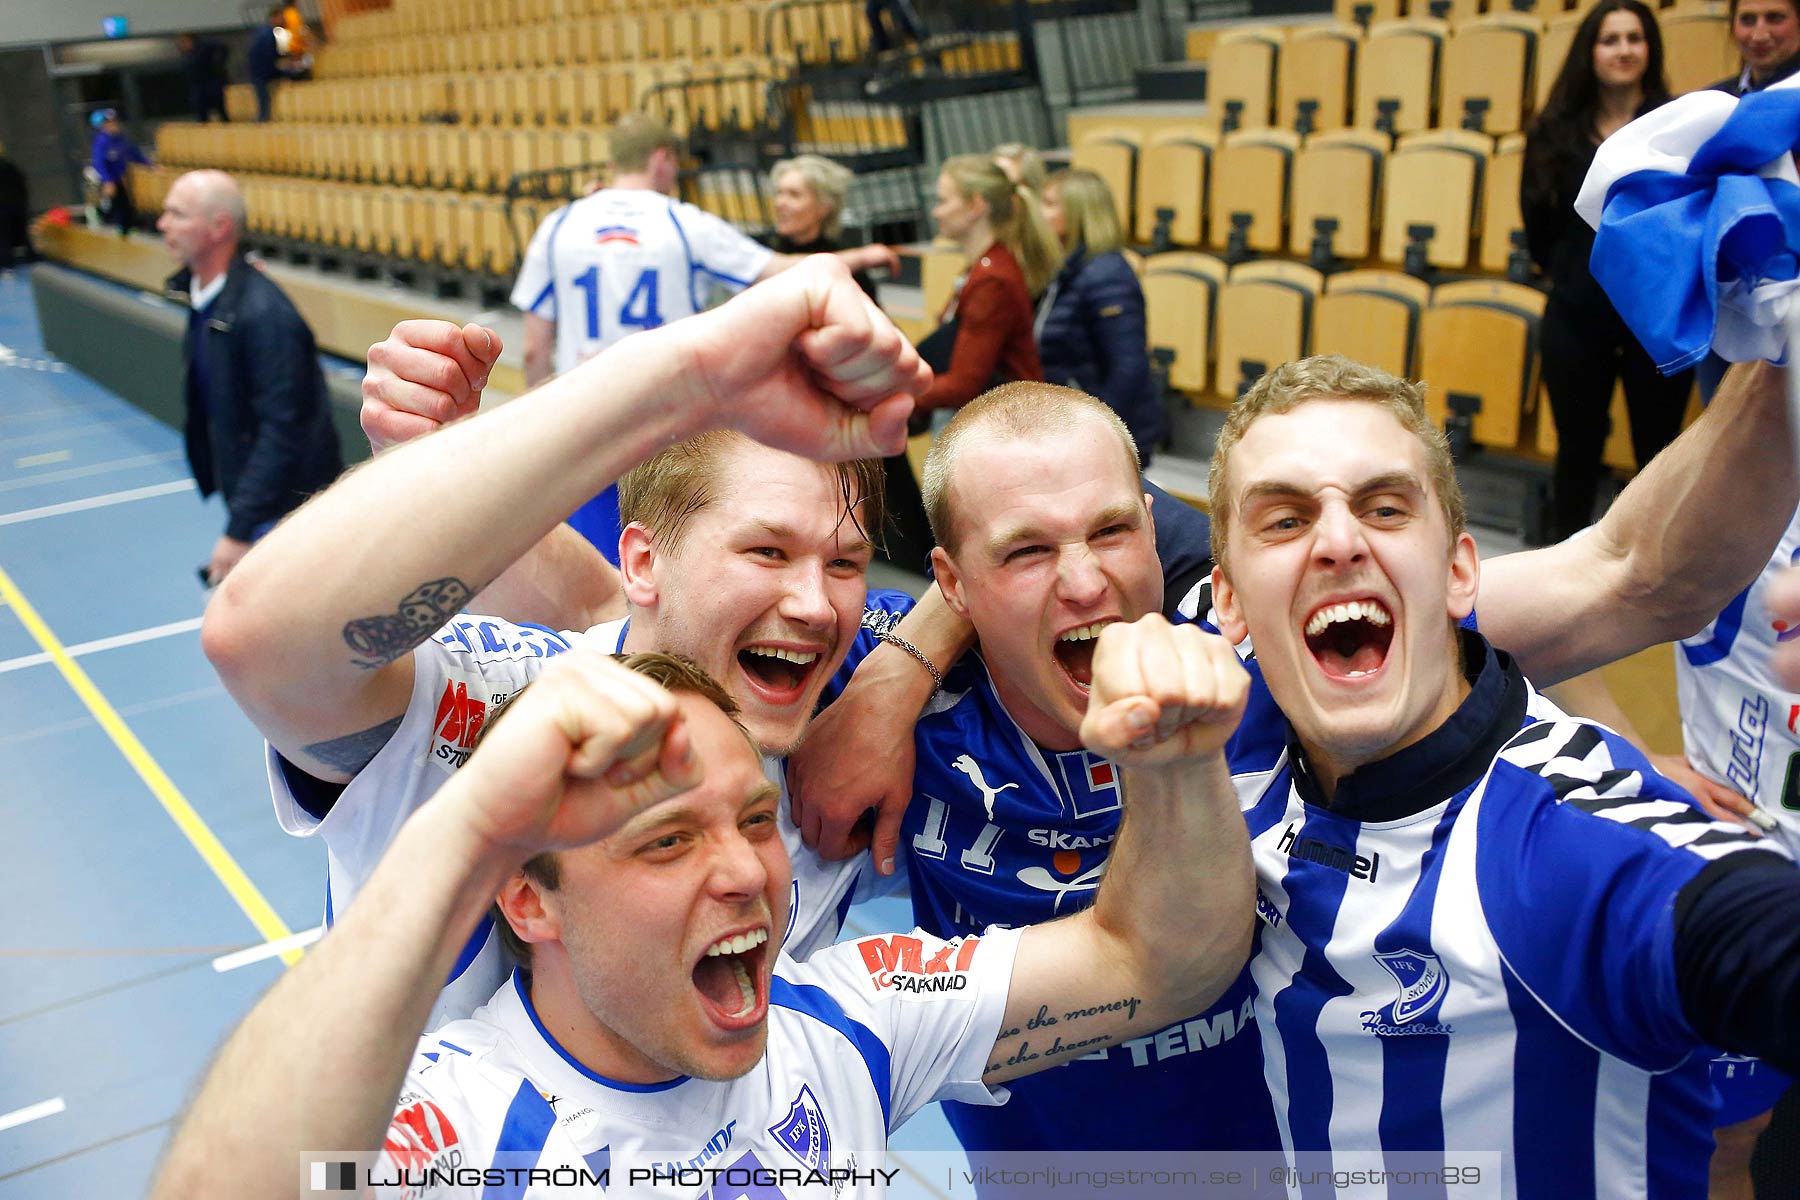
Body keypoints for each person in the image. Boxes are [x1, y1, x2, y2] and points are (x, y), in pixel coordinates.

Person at [159, 508, 1255, 1199]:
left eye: (753, 821)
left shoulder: (844, 1022)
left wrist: (1177, 764)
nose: (743, 875)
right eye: (666, 842)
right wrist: (467, 824)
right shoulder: (469, 1123)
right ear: (527, 902)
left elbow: (1157, 961)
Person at [202, 256, 937, 1026]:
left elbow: (1007, 574)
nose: (818, 605)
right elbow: (259, 644)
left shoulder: (852, 681)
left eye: (846, 562)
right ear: (645, 561)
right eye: (767, 552)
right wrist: (678, 377)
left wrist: (907, 671)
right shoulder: (503, 703)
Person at [509, 114, 897, 563]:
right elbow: (777, 271)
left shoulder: (559, 223)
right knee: (661, 561)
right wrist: (864, 255)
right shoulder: (682, 221)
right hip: (664, 423)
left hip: (584, 418)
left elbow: (535, 347)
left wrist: (540, 419)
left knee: (589, 567)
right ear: (661, 159)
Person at [1524, 0, 1690, 544]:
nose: (1623, 50)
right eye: (1610, 39)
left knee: (1657, 452)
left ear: (1650, 48)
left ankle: (1653, 568)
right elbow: (1540, 227)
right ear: (1589, 52)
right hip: (1576, 315)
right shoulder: (1554, 131)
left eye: (1634, 38)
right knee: (1576, 449)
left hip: (1653, 317)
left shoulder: (1676, 125)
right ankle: (1564, 569)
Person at [156, 169, 340, 585]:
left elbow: (284, 429)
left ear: (219, 227)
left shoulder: (265, 315)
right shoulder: (204, 297)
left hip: (289, 511)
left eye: (177, 214)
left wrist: (241, 530)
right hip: (253, 497)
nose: (162, 224)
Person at [879, 155, 1060, 569]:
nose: (936, 210)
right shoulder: (982, 268)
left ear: (975, 205)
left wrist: (900, 396)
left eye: (943, 200)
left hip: (1009, 426)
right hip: (989, 418)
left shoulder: (992, 276)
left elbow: (964, 382)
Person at [1695, 0, 1800, 401]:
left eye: (1776, 18)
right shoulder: (1710, 104)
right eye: (1747, 19)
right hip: (1726, 302)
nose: (1759, 33)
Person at [1035, 168, 1161, 462]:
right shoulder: (1068, 268)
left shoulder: (1106, 274)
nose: (1040, 213)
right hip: (1073, 423)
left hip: (1100, 435)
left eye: (1051, 204)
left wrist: (1094, 430)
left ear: (1080, 212)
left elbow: (1128, 365)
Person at [767, 154, 877, 298]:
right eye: (779, 193)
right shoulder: (763, 252)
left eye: (794, 195)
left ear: (824, 207)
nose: (780, 203)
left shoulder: (846, 263)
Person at [88, 109, 147, 237]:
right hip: (109, 178)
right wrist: (107, 180)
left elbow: (135, 154)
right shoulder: (102, 141)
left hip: (122, 177)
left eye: (114, 122)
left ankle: (127, 227)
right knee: (114, 201)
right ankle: (103, 217)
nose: (112, 125)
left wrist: (150, 165)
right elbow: (99, 162)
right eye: (108, 123)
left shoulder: (121, 138)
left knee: (125, 203)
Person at [177, 33, 229, 123]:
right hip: (197, 87)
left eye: (184, 42)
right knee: (201, 113)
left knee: (219, 108)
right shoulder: (188, 55)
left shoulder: (204, 48)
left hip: (209, 84)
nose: (183, 45)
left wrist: (219, 63)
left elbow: (222, 47)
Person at [247, 6, 283, 122]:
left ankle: (263, 118)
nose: (283, 20)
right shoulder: (269, 34)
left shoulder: (260, 32)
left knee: (262, 98)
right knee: (263, 98)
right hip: (263, 70)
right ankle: (263, 119)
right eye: (280, 18)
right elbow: (271, 54)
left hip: (258, 70)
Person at [0, 142, 29, 270]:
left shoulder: (9, 167)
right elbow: (22, 185)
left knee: (5, 237)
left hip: (10, 207)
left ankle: (7, 263)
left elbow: (21, 186)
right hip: (14, 207)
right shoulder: (10, 167)